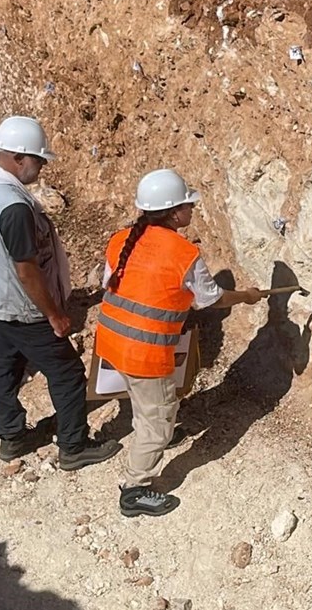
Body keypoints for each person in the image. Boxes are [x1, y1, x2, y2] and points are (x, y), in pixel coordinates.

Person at [97, 168, 265, 517]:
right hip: (144, 352)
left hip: (112, 341)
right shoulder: (182, 253)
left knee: (149, 401)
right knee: (155, 419)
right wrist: (247, 296)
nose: (193, 209)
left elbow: (115, 285)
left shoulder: (121, 239)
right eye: (189, 204)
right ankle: (135, 488)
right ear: (174, 212)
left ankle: (160, 430)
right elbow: (211, 300)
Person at [0, 116, 119, 470]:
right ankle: (74, 447)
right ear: (18, 157)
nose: (42, 166)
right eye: (39, 159)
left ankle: (11, 437)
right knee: (67, 374)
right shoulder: (14, 206)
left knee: (4, 366)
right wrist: (54, 314)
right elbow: (26, 270)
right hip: (23, 307)